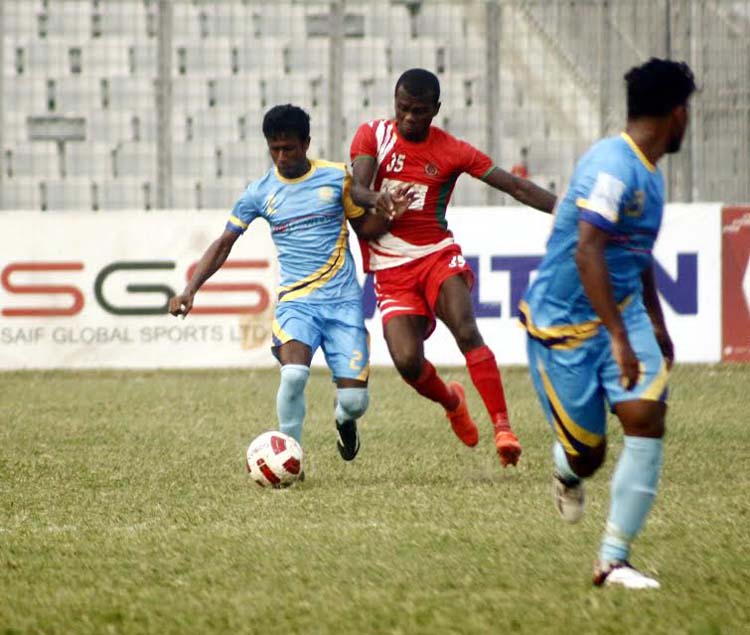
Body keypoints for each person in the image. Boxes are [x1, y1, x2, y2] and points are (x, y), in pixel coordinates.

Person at [520, 58, 696, 588]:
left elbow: (632, 256)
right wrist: (619, 338)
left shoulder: (650, 171)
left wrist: (656, 324)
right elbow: (587, 252)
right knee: (588, 455)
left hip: (622, 316)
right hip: (562, 328)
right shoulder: (613, 168)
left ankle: (613, 560)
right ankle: (568, 468)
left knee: (645, 416)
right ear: (677, 113)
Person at [169, 104, 410, 461]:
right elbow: (224, 243)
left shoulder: (337, 177)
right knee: (294, 375)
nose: (281, 156)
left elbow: (365, 229)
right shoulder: (259, 192)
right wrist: (189, 290)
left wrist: (391, 217)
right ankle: (289, 456)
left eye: (289, 148)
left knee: (355, 402)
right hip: (297, 303)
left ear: (306, 143)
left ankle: (344, 420)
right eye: (274, 149)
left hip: (343, 304)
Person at [349, 68, 556, 468]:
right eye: (403, 109)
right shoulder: (373, 135)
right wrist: (382, 200)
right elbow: (356, 188)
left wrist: (568, 211)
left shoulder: (452, 151)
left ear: (436, 110)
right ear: (395, 103)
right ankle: (452, 402)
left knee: (466, 327)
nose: (410, 118)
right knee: (408, 363)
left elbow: (514, 185)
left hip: (436, 256)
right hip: (391, 268)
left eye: (420, 111)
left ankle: (503, 427)